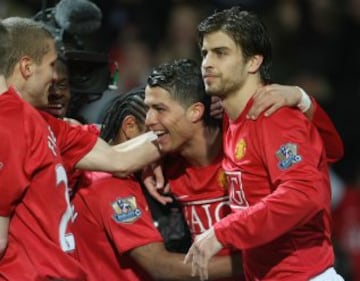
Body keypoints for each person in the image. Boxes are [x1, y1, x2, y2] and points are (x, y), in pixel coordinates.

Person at [184, 7, 344, 281]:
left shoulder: (274, 116)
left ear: (253, 62)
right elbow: (327, 150)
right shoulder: (231, 116)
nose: (207, 63)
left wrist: (223, 232)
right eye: (205, 53)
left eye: (221, 53)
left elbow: (304, 194)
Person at [0, 17, 162, 280]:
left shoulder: (44, 124)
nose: (55, 77)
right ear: (27, 67)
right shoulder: (6, 123)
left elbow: (119, 158)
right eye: (52, 66)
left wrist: (186, 125)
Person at [71, 88, 241, 281]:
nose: (162, 143)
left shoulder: (98, 166)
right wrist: (248, 263)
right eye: (155, 135)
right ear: (130, 126)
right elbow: (160, 266)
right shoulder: (112, 185)